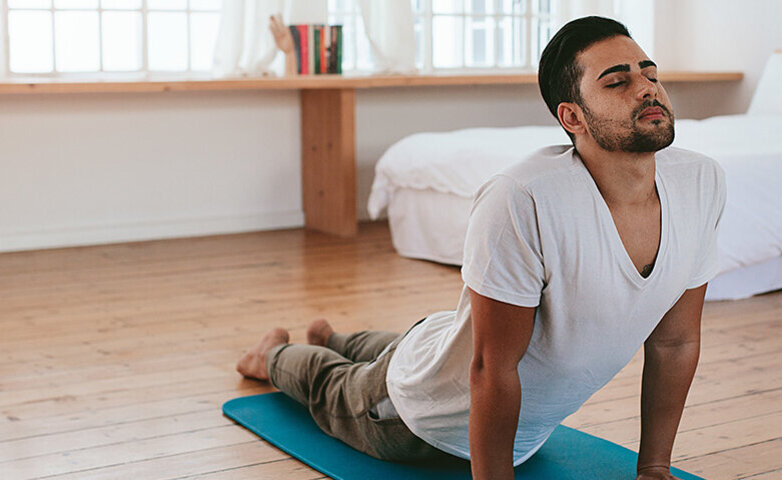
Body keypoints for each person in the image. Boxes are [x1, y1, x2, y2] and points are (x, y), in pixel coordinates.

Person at [235, 16, 726, 480]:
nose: (647, 87)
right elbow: (492, 367)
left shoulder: (700, 181)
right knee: (334, 386)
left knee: (421, 343)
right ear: (572, 116)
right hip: (426, 424)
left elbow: (674, 342)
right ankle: (274, 353)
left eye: (650, 73)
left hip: (453, 352)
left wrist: (655, 469)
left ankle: (336, 335)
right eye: (617, 82)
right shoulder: (522, 197)